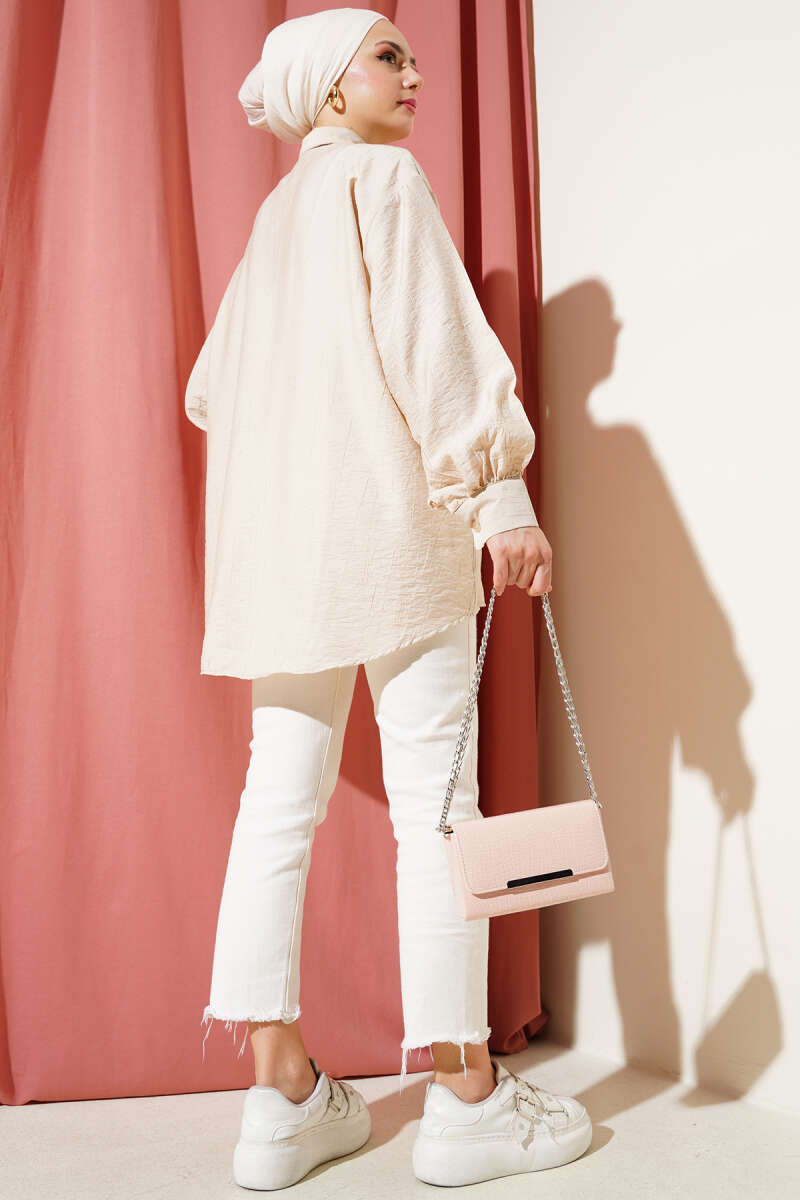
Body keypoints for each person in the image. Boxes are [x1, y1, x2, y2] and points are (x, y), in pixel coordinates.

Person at [185, 7, 592, 1190]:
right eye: (386, 56)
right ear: (327, 88)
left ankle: (279, 1097)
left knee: (275, 806)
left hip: (276, 560)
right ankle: (464, 1096)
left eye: (412, 55)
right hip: (384, 538)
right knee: (436, 807)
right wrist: (499, 499)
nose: (414, 73)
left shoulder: (272, 221)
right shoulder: (384, 182)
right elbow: (438, 354)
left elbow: (210, 392)